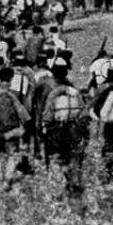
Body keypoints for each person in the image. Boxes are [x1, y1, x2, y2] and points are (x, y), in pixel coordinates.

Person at [39, 62, 89, 197]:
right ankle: (74, 184)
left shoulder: (50, 90)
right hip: (73, 128)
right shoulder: (74, 90)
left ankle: (57, 190)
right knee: (75, 158)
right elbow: (83, 114)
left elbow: (46, 113)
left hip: (56, 129)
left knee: (55, 157)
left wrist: (42, 127)